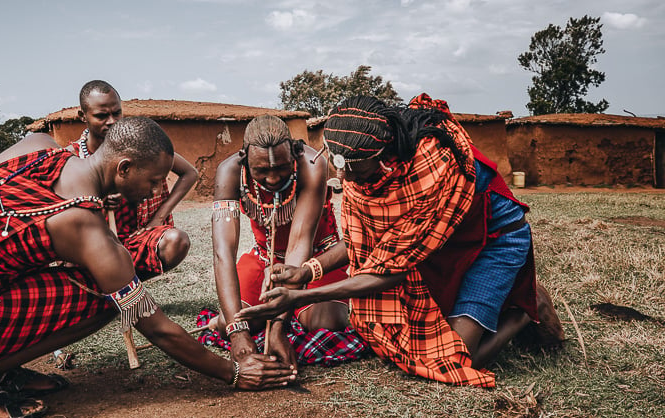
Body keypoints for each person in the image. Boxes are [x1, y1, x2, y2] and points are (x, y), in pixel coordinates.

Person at [0, 117, 295, 418]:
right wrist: (234, 370)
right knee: (113, 298)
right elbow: (152, 323)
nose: (153, 192)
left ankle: (3, 366)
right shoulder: (81, 223)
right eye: (151, 182)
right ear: (123, 168)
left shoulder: (39, 146)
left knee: (97, 279)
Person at [237, 94, 564, 388]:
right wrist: (306, 273)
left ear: (382, 157)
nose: (346, 179)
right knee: (395, 341)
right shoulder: (362, 165)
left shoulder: (429, 174)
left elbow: (390, 271)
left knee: (454, 361)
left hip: (493, 240)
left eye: (354, 171)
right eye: (340, 167)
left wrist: (297, 299)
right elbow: (361, 243)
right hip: (438, 242)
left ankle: (525, 309)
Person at [207, 115, 368, 372]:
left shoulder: (313, 164)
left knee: (326, 323)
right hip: (263, 260)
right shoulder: (230, 172)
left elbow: (298, 245)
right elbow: (223, 252)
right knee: (236, 324)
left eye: (281, 167)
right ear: (244, 158)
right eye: (261, 170)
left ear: (294, 153)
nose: (272, 178)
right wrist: (238, 335)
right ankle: (243, 320)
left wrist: (279, 325)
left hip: (316, 261)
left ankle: (292, 314)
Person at [72, 80, 198, 279]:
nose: (112, 121)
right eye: (102, 116)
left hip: (136, 237)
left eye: (117, 113)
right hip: (95, 246)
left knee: (176, 241)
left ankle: (130, 285)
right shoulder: (73, 157)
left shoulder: (137, 144)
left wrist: (158, 218)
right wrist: (97, 203)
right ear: (82, 116)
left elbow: (190, 173)